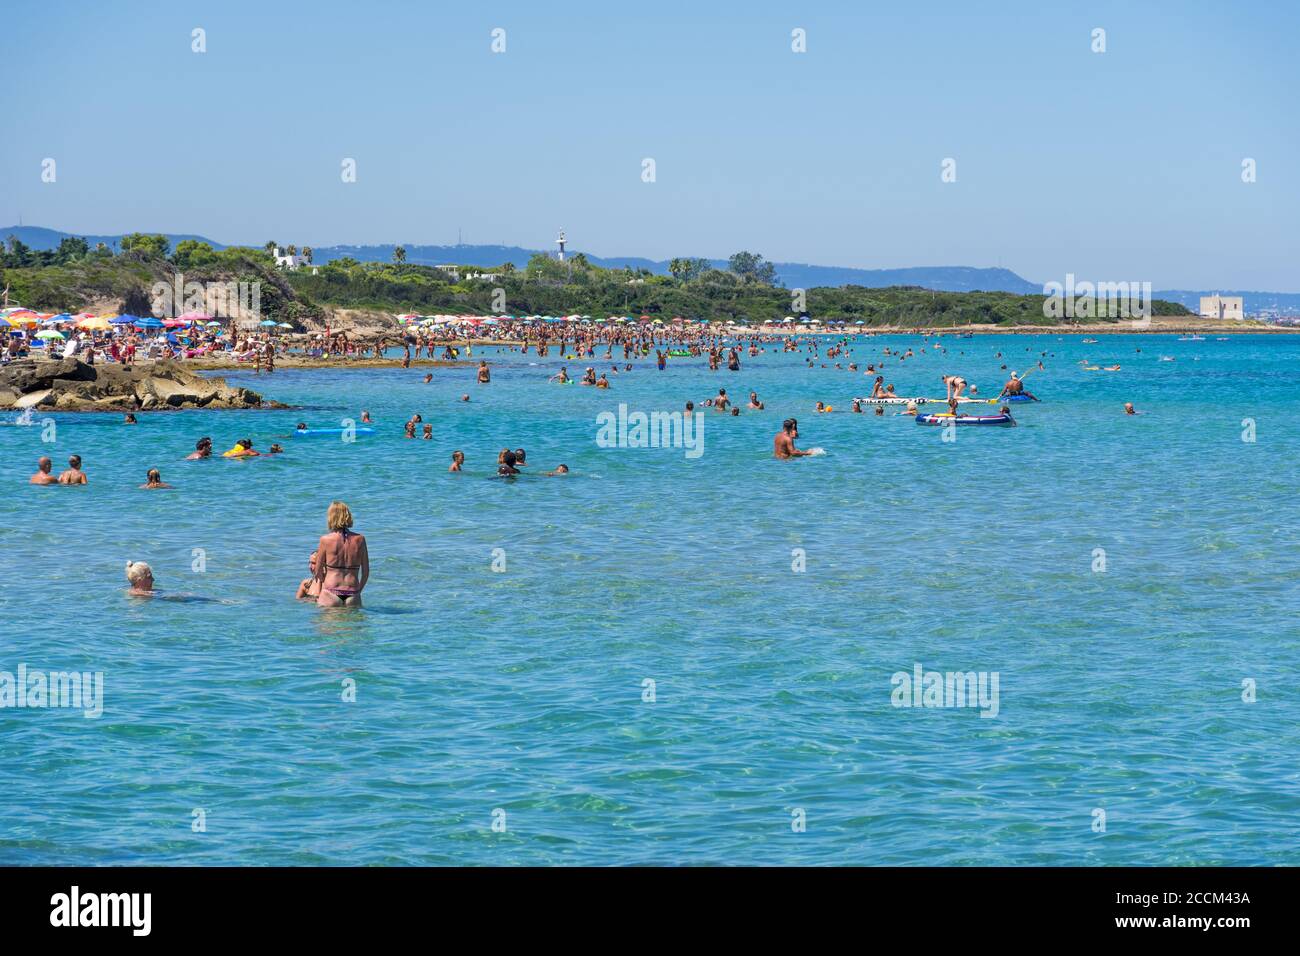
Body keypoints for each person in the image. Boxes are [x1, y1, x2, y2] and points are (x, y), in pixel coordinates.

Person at [315, 501, 368, 608]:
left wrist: (324, 587)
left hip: (331, 592)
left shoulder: (325, 540)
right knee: (353, 624)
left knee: (325, 624)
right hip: (353, 593)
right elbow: (366, 572)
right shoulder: (360, 539)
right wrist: (358, 591)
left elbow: (318, 571)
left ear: (331, 517)